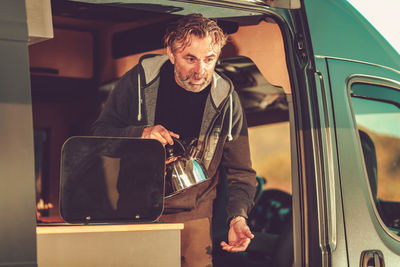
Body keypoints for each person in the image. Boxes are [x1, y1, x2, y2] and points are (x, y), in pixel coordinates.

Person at [91, 13, 257, 267]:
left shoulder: (228, 100)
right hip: (136, 213)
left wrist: (237, 218)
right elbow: (99, 136)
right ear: (171, 53)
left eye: (209, 59)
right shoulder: (137, 81)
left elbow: (241, 173)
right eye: (190, 58)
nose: (200, 71)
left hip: (195, 217)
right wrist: (140, 134)